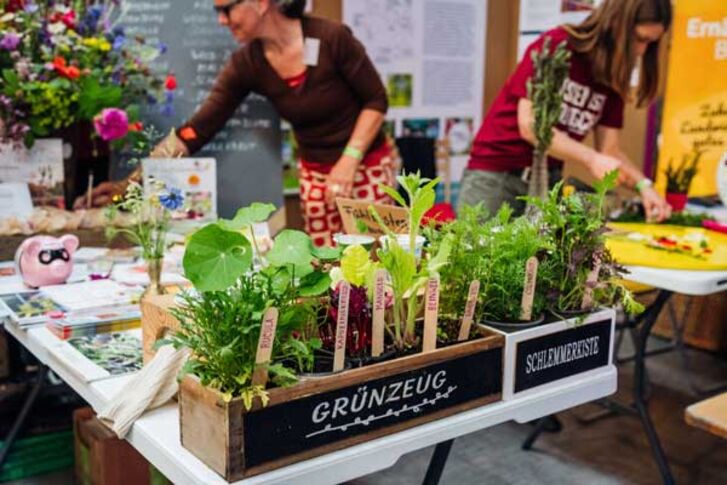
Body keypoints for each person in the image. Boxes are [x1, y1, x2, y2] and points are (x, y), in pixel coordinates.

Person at [79, 0, 393, 246]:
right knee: (330, 269)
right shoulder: (248, 64)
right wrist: (128, 185)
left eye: (226, 9)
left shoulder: (331, 37)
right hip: (316, 175)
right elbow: (195, 131)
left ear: (260, 2)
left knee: (377, 265)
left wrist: (349, 161)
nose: (221, 20)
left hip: (366, 164)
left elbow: (376, 100)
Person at [457, 0, 673, 222]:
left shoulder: (611, 77)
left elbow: (609, 151)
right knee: (478, 252)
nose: (641, 50)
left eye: (651, 43)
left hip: (545, 183)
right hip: (497, 178)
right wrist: (591, 159)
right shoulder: (558, 46)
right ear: (617, 23)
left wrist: (644, 186)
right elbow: (530, 125)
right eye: (640, 39)